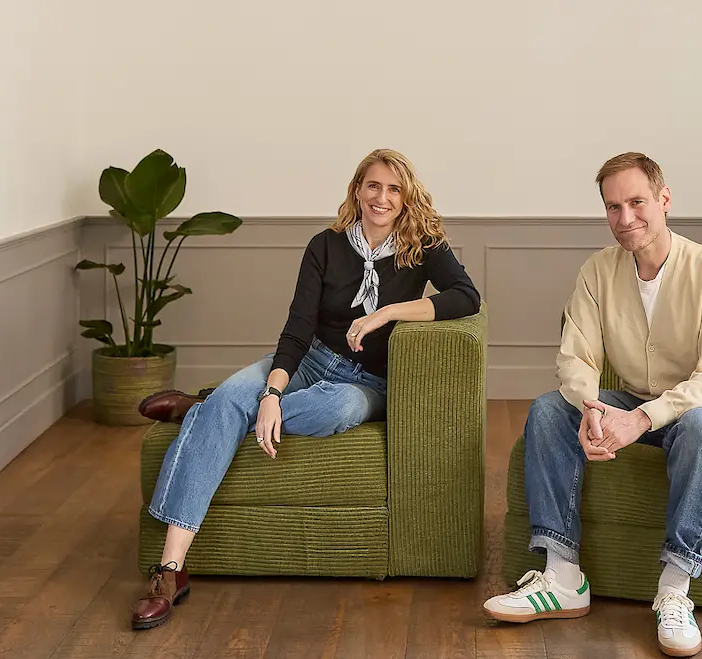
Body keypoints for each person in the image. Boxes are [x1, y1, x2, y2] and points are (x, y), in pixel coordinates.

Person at [130, 148, 481, 630]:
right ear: (357, 190)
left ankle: (208, 407)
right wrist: (272, 394)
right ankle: (171, 570)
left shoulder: (423, 247)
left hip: (366, 382)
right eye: (373, 186)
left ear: (405, 197)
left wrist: (386, 313)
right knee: (241, 398)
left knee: (334, 408)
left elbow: (467, 297)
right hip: (310, 360)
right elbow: (297, 329)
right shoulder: (325, 246)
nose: (381, 197)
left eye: (393, 189)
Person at [482, 152, 702, 658]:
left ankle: (674, 590)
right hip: (633, 400)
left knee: (700, 428)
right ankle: (562, 577)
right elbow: (577, 355)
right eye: (613, 207)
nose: (625, 218)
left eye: (637, 202)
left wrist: (641, 418)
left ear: (664, 199)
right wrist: (590, 406)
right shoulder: (597, 271)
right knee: (549, 409)